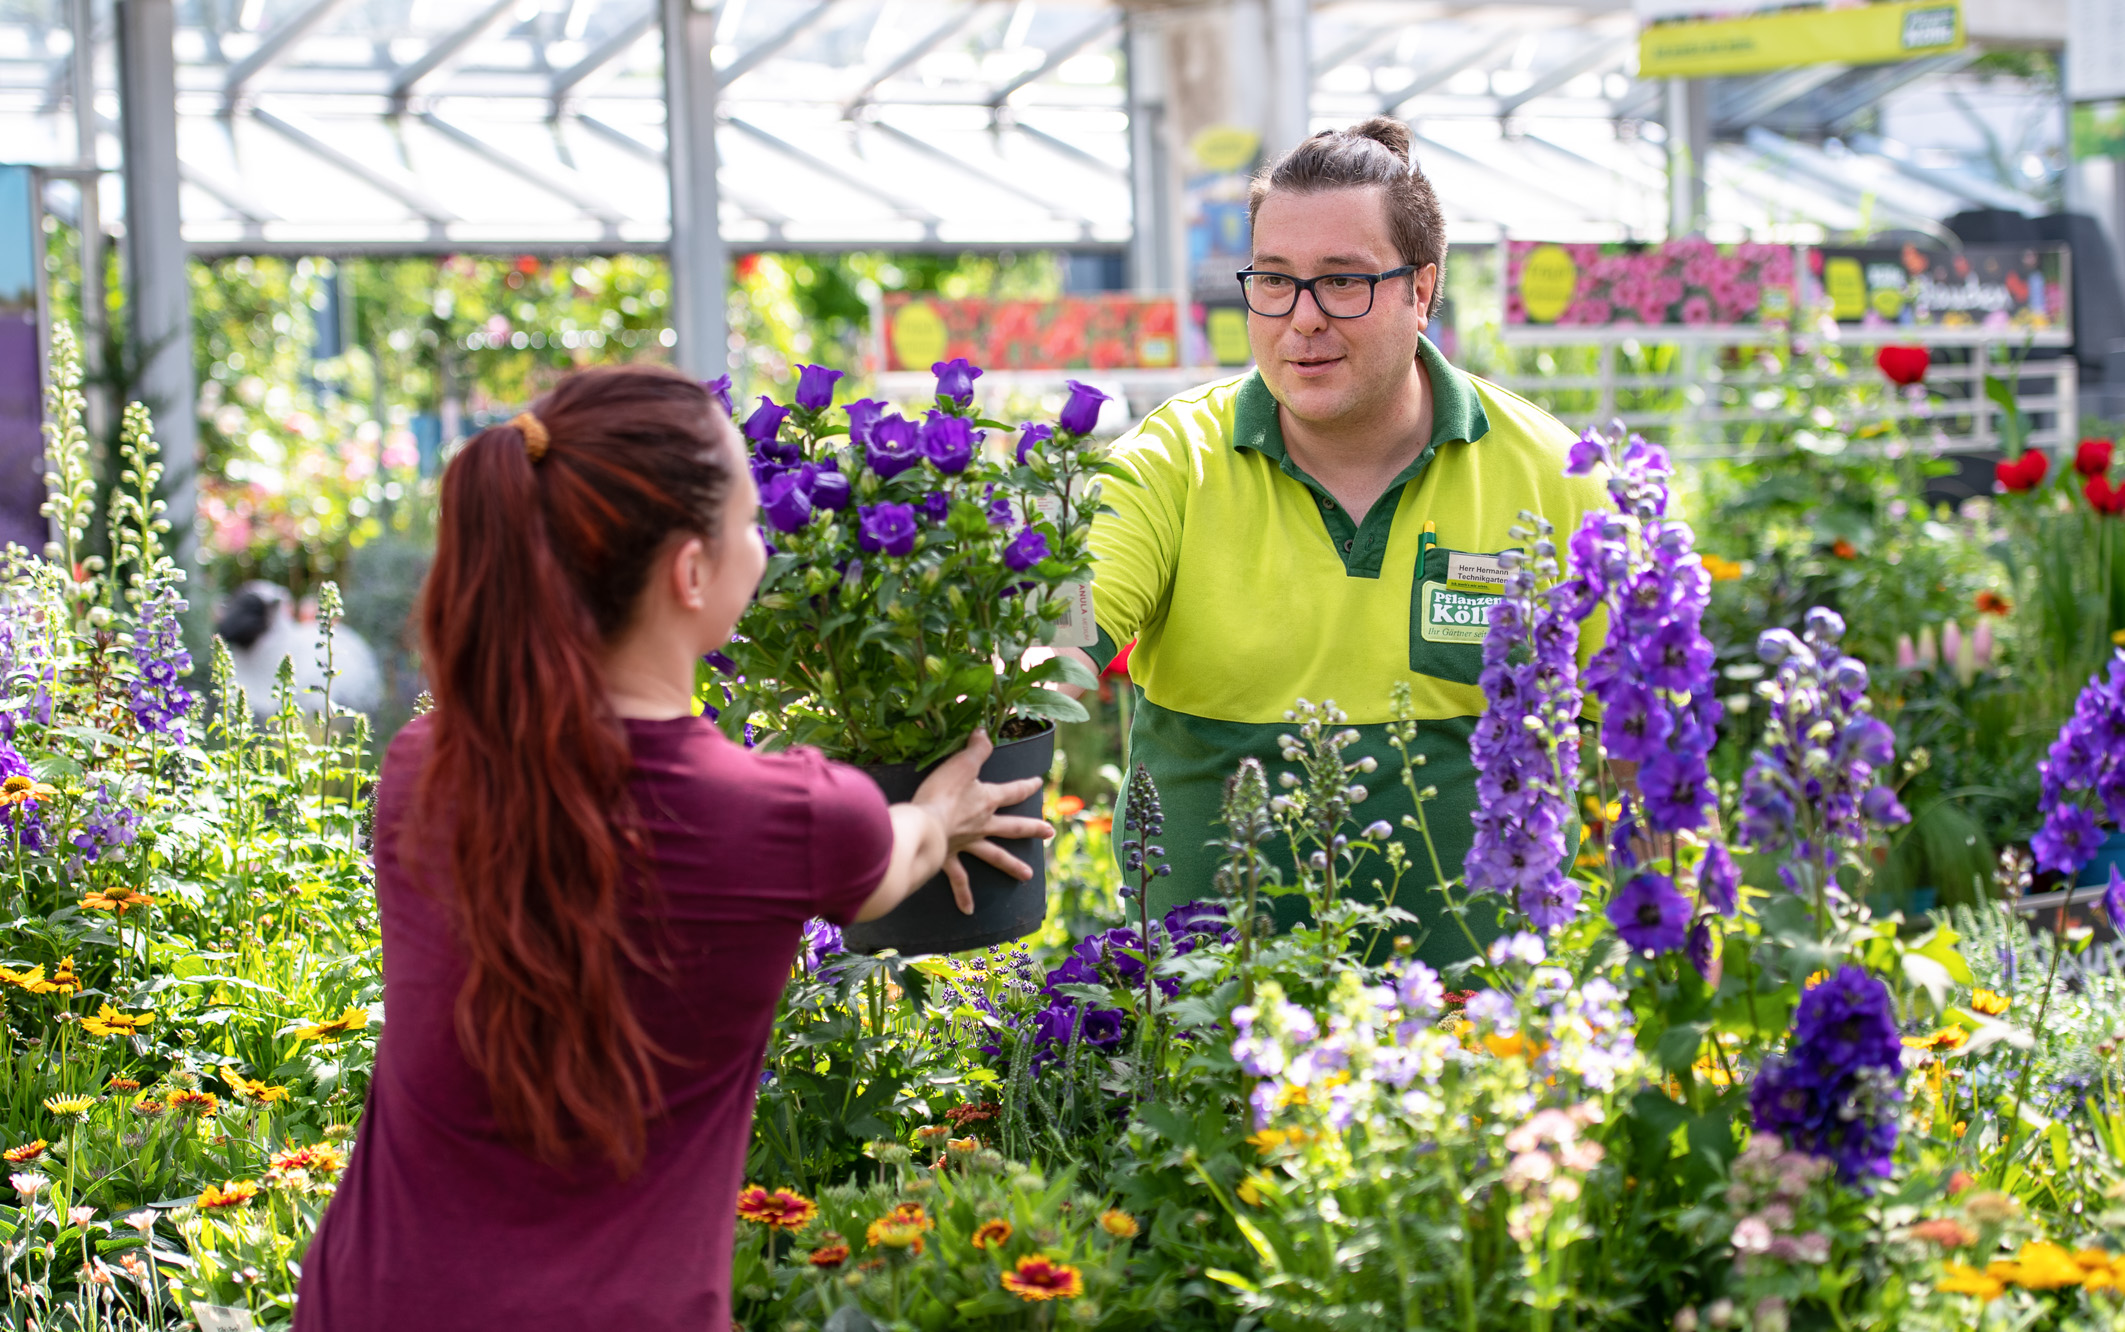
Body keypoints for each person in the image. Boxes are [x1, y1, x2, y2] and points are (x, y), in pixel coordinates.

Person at [293, 366, 1048, 1331]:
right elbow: (891, 856)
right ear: (691, 573)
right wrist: (943, 814)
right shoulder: (787, 819)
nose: (764, 549)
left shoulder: (422, 770)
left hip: (374, 1298)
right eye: (747, 523)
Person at [1047, 118, 1608, 967]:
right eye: (1272, 281)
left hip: (1482, 1024)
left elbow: (1635, 730)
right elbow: (1061, 627)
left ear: (1421, 291)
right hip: (1208, 1018)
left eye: (1342, 282)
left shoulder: (1552, 476)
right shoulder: (1173, 463)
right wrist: (1003, 700)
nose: (1300, 320)